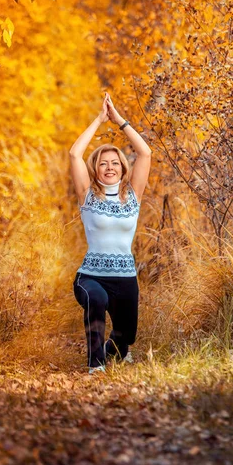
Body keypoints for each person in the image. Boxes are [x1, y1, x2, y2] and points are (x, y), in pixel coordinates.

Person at [69, 92, 151, 374]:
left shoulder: (132, 196)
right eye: (103, 163)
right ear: (96, 168)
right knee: (97, 299)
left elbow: (146, 153)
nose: (109, 167)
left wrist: (118, 120)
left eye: (114, 163)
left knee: (126, 338)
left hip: (125, 278)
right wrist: (99, 119)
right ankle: (95, 365)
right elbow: (74, 154)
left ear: (122, 168)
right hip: (91, 276)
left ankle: (115, 351)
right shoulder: (87, 195)